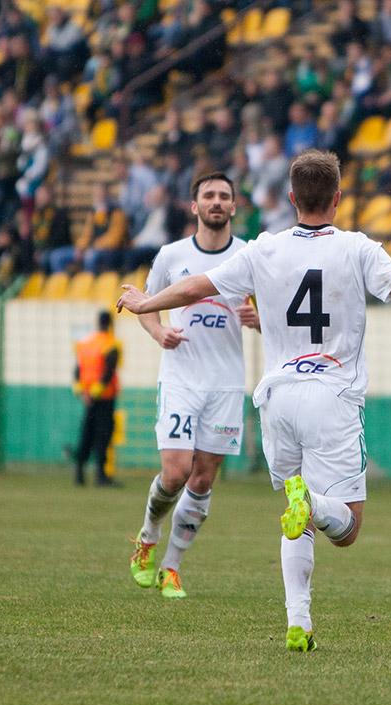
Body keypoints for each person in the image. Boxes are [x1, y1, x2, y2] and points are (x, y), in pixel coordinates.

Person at [118, 149, 391, 651]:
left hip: (277, 398)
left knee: (294, 513)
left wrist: (147, 303)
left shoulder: (263, 249)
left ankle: (298, 621)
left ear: (291, 198)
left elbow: (197, 286)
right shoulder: (357, 247)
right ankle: (315, 505)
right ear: (338, 198)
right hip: (332, 395)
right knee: (346, 527)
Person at [128, 172, 257, 599]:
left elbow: (276, 317)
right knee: (176, 472)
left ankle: (171, 567)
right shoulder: (171, 255)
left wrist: (259, 320)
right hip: (181, 376)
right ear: (194, 205)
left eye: (224, 196)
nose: (216, 201)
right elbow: (147, 304)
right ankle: (148, 536)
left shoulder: (249, 256)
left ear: (234, 206)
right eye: (208, 195)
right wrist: (157, 332)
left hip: (226, 382)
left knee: (202, 480)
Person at [73, 310, 122, 487]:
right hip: (104, 398)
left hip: (87, 398)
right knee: (103, 436)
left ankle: (79, 473)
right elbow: (109, 371)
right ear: (110, 324)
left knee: (86, 434)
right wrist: (96, 392)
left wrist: (82, 393)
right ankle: (101, 476)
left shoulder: (84, 343)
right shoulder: (110, 344)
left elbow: (77, 370)